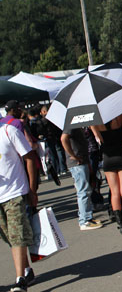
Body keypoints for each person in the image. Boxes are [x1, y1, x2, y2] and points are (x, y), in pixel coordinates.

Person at [0, 122, 39, 292]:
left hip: (15, 193)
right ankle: (27, 270)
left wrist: (32, 189)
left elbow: (29, 157)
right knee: (9, 237)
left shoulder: (9, 131)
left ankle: (20, 280)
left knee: (17, 235)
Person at [91, 114, 122, 234]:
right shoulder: (119, 116)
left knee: (114, 192)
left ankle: (120, 225)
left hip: (107, 157)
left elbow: (99, 139)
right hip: (121, 154)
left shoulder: (96, 121)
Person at [61, 127, 103, 231]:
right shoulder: (70, 124)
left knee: (85, 190)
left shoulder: (74, 124)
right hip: (77, 162)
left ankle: (87, 217)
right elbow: (63, 139)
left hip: (81, 160)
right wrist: (73, 155)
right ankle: (85, 220)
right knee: (83, 191)